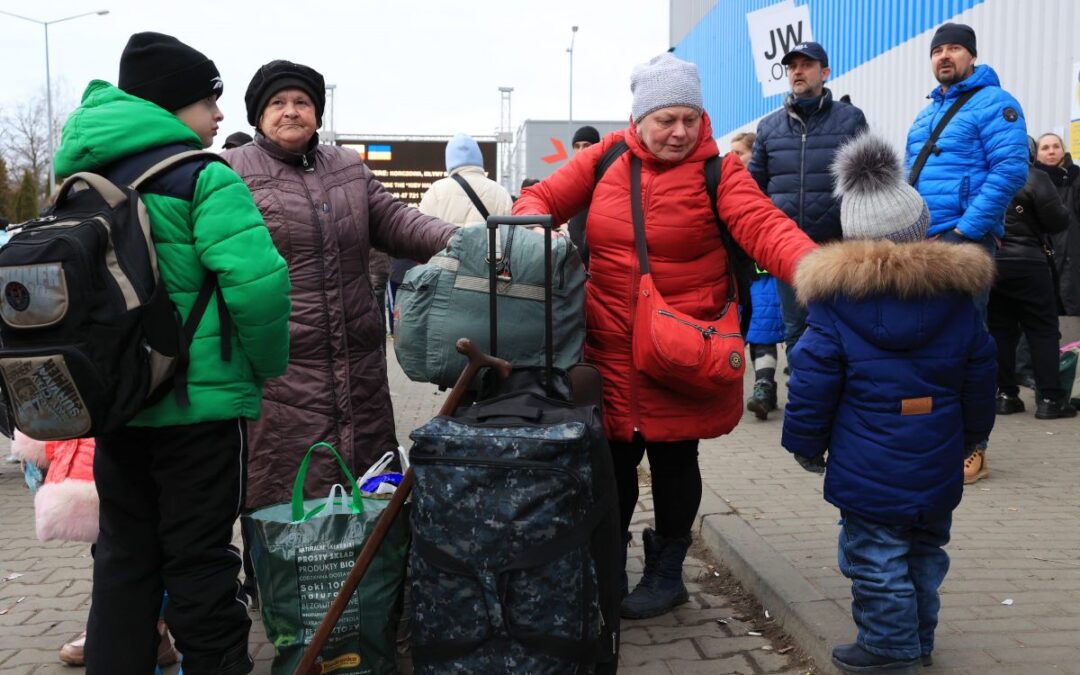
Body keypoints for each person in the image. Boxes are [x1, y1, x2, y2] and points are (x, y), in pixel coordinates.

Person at [513, 52, 816, 620]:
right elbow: (541, 199)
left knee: (676, 458)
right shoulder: (606, 159)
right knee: (614, 461)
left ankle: (667, 569)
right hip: (606, 347)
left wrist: (819, 270)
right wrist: (529, 232)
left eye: (690, 119)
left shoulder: (719, 173)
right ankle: (608, 559)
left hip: (681, 349)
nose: (679, 132)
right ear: (639, 119)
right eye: (665, 120)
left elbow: (765, 227)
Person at [53, 31, 292, 675]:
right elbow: (260, 286)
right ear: (171, 106)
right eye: (208, 102)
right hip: (199, 409)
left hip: (117, 405)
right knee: (200, 558)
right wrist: (265, 367)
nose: (218, 116)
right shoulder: (203, 177)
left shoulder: (82, 182)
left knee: (124, 559)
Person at [783, 133, 996, 673]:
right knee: (926, 552)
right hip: (938, 456)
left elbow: (811, 382)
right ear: (920, 228)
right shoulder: (959, 301)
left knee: (874, 558)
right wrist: (974, 437)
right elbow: (981, 375)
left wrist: (805, 445)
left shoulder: (834, 307)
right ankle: (918, 640)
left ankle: (889, 647)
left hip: (868, 465)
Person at [223, 60, 457, 515]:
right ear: (257, 115)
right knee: (285, 499)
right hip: (281, 379)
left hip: (360, 373)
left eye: (302, 102)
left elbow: (398, 220)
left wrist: (466, 240)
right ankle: (283, 585)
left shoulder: (348, 168)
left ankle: (369, 585)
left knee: (368, 494)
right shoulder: (231, 171)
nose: (291, 111)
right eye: (277, 103)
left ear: (318, 112)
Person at [905, 22, 1028, 484]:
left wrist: (964, 230)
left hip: (964, 244)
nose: (945, 56)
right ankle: (933, 441)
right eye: (938, 50)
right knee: (922, 345)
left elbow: (1011, 169)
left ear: (972, 56)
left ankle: (973, 447)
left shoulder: (996, 103)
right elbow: (908, 182)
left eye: (954, 48)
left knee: (965, 344)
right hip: (921, 246)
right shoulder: (924, 115)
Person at [749, 41, 868, 355]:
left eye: (806, 65)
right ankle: (803, 401)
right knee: (796, 331)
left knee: (841, 327)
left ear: (825, 72)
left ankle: (838, 400)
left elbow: (866, 183)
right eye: (792, 67)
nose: (797, 71)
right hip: (786, 248)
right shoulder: (769, 127)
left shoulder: (851, 120)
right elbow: (753, 189)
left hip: (835, 247)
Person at [989, 136, 1076, 423]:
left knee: (1000, 329)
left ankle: (1005, 395)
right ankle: (1051, 399)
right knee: (1042, 330)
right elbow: (1059, 220)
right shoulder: (1034, 177)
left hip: (993, 262)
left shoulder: (984, 175)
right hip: (1030, 263)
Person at [733, 131, 784, 419]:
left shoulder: (766, 188)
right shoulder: (728, 187)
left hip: (763, 276)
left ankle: (764, 387)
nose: (733, 158)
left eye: (739, 152)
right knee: (736, 333)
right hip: (737, 277)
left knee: (763, 333)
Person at [416, 132, 513, 224]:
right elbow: (509, 236)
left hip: (449, 242)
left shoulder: (436, 191)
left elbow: (421, 232)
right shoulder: (501, 193)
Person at [1037, 133, 1080, 319]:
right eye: (1045, 148)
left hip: (1074, 255)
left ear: (1063, 150)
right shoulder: (1029, 182)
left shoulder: (1076, 179)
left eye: (1056, 146)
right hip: (1042, 258)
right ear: (1036, 154)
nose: (1051, 151)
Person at [568, 125, 602, 265]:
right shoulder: (568, 178)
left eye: (586, 145)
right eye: (577, 146)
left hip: (599, 258)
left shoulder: (607, 175)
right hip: (575, 260)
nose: (581, 150)